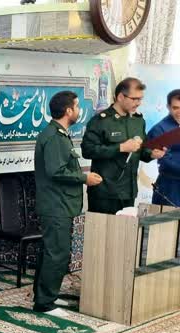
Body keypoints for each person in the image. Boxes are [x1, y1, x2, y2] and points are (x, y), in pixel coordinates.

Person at [32, 92, 103, 317]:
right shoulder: (54, 136)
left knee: (52, 252)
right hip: (56, 205)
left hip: (60, 204)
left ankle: (44, 296)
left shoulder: (59, 134)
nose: (79, 111)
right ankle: (45, 303)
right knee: (57, 254)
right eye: (77, 107)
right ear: (68, 110)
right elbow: (56, 171)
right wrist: (84, 178)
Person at [81, 77, 165, 214]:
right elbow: (87, 150)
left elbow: (141, 152)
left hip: (128, 192)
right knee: (102, 228)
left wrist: (152, 154)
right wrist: (120, 148)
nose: (138, 103)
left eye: (140, 99)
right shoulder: (101, 121)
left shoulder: (138, 121)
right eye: (134, 99)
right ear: (120, 97)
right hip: (104, 193)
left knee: (126, 228)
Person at [149, 89, 180, 206]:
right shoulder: (160, 129)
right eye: (175, 108)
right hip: (170, 186)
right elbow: (164, 159)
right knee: (168, 217)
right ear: (168, 107)